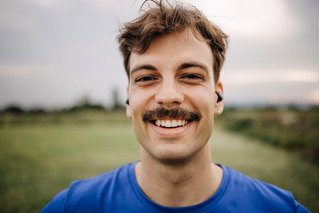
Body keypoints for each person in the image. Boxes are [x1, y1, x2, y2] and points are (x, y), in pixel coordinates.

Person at [41, 0, 310, 212]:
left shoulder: (279, 209)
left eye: (191, 75)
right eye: (146, 78)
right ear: (128, 100)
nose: (168, 96)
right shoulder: (74, 207)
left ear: (218, 97)